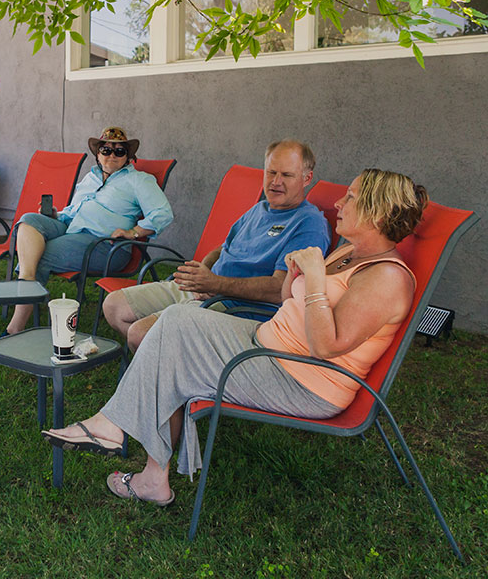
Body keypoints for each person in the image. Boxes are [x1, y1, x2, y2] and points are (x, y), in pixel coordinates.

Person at [43, 169, 426, 506]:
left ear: (376, 212)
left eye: (352, 197)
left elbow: (326, 345)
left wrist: (312, 279)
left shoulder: (386, 278)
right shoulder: (349, 253)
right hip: (268, 344)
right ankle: (141, 463)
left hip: (304, 379)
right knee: (175, 321)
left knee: (175, 342)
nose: (340, 202)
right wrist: (297, 274)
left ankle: (128, 447)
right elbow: (287, 299)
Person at [105, 140, 330, 349]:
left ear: (306, 178)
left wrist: (214, 284)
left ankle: (172, 368)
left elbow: (279, 290)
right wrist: (201, 272)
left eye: (287, 175)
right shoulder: (258, 210)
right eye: (271, 172)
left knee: (140, 333)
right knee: (114, 306)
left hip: (237, 309)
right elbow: (223, 248)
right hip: (208, 289)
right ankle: (172, 363)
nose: (276, 182)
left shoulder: (308, 224)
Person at [7, 127, 174, 335]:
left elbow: (163, 213)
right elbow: (71, 213)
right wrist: (55, 216)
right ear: (98, 154)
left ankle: (15, 326)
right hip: (71, 229)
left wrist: (133, 232)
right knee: (28, 220)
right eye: (106, 150)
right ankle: (28, 280)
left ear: (128, 156)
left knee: (38, 254)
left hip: (104, 245)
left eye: (119, 151)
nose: (111, 155)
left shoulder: (139, 180)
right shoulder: (90, 178)